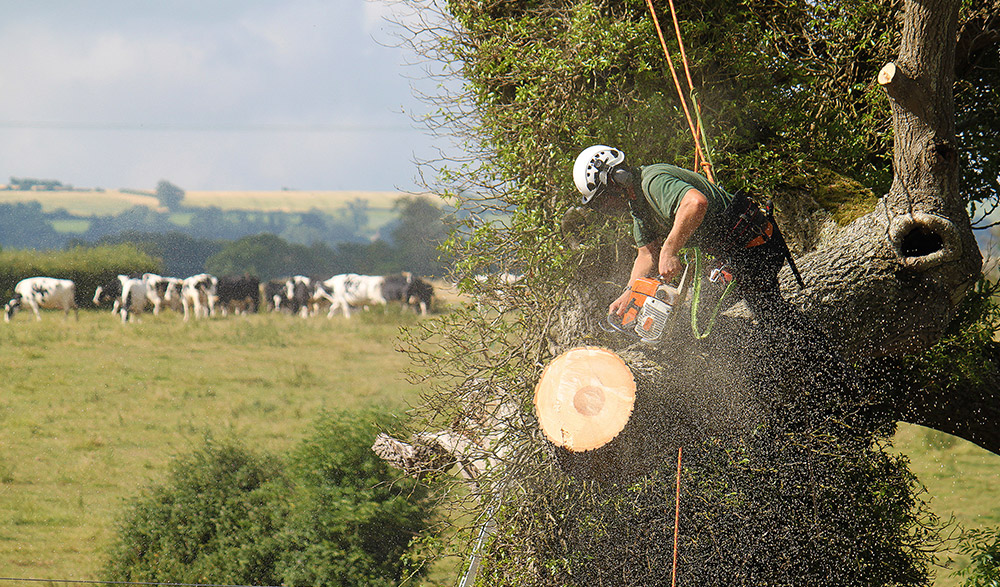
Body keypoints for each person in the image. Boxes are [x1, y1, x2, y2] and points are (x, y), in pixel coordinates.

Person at [572, 144, 799, 317]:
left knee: (751, 317)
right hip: (735, 255)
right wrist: (630, 291)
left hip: (755, 246)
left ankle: (805, 348)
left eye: (604, 199)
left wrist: (669, 250)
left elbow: (695, 203)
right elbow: (646, 253)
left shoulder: (652, 183)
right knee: (695, 312)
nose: (608, 207)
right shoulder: (637, 204)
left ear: (617, 179)